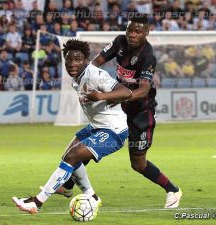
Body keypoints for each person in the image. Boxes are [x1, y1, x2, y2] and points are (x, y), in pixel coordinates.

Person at [58, 15, 182, 209]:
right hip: (118, 109)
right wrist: (87, 77)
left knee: (138, 164)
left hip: (141, 113)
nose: (132, 34)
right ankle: (67, 185)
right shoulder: (119, 41)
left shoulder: (147, 56)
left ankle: (172, 190)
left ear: (146, 33)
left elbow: (143, 91)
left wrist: (107, 96)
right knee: (88, 145)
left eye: (137, 31)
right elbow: (95, 62)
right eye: (130, 30)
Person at [12, 39, 133, 214]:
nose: (72, 64)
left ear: (86, 60)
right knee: (68, 156)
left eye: (78, 59)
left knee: (72, 155)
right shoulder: (76, 79)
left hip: (114, 130)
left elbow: (126, 93)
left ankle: (37, 202)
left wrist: (100, 96)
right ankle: (91, 196)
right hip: (97, 126)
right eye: (69, 59)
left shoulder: (95, 75)